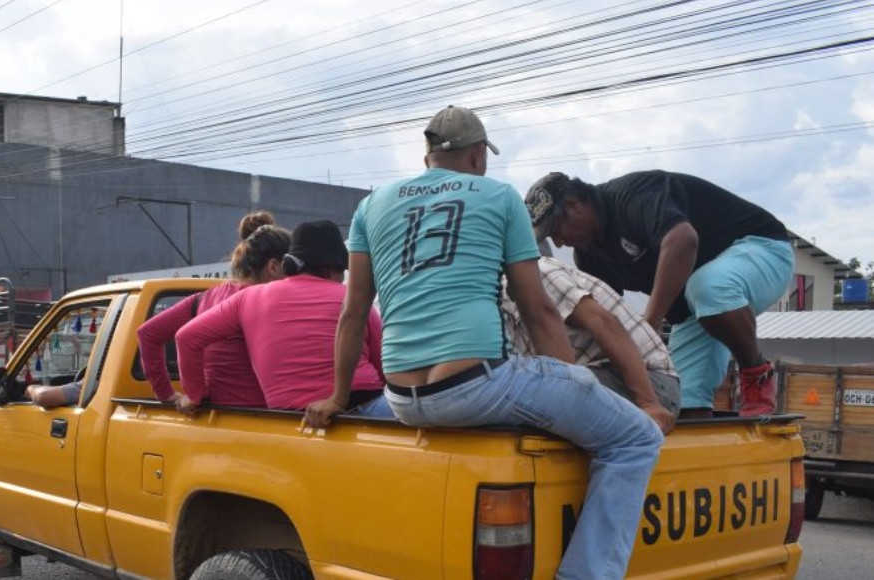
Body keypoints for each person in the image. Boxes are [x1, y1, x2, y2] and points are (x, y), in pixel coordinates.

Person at [305, 106, 663, 579]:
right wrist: (571, 382)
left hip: (405, 398)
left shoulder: (372, 205)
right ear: (477, 156)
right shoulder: (499, 197)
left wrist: (337, 395)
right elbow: (536, 308)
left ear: (428, 154)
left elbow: (353, 314)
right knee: (636, 438)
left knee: (417, 401)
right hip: (476, 386)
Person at [526, 170, 794, 418]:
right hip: (696, 309)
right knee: (678, 401)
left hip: (761, 249)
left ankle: (755, 373)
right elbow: (609, 316)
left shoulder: (631, 196)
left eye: (556, 229)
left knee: (709, 287)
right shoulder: (588, 256)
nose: (559, 241)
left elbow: (683, 240)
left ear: (575, 205)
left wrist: (649, 325)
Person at [177, 220, 391, 418]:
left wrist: (195, 395)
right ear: (335, 268)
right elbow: (384, 364)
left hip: (290, 416)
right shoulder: (352, 300)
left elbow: (186, 337)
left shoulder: (247, 298)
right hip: (367, 407)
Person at [500, 247, 680, 434]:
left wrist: (649, 403)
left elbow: (605, 323)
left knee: (522, 397)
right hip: (602, 377)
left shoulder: (538, 273)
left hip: (650, 385)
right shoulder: (501, 298)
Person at [137, 211, 290, 412]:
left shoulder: (202, 299)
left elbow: (148, 333)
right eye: (291, 267)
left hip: (211, 416)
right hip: (257, 418)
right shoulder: (266, 300)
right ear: (273, 266)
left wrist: (169, 393)